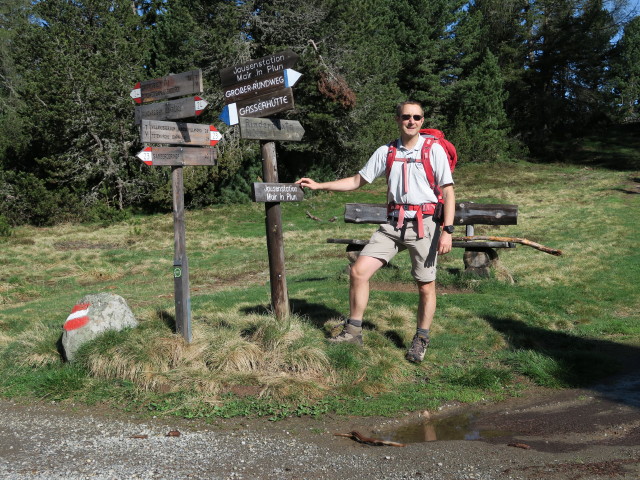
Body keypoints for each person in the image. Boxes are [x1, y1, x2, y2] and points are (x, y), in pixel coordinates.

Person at [296, 101, 455, 363]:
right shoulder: (386, 151)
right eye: (406, 117)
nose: (411, 121)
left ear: (423, 121)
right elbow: (358, 180)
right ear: (398, 119)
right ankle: (353, 331)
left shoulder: (433, 150)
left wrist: (447, 230)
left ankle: (421, 338)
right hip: (393, 224)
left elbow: (448, 191)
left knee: (426, 286)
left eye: (417, 117)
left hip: (425, 224)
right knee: (358, 271)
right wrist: (320, 185)